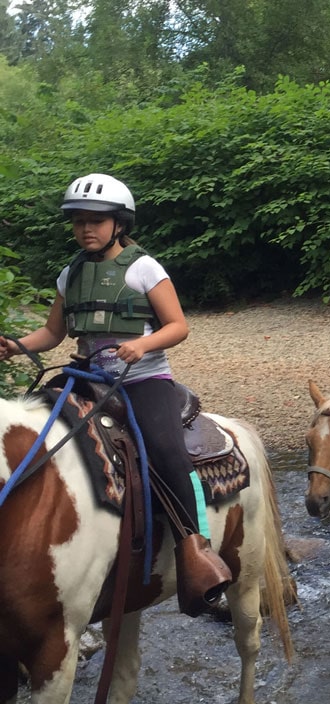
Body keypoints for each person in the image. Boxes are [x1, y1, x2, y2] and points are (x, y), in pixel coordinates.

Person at [0, 172, 232, 617]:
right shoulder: (72, 273)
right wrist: (16, 346)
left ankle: (196, 550)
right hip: (85, 377)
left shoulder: (145, 268)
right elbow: (53, 332)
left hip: (142, 380)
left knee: (166, 451)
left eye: (97, 220)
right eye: (79, 221)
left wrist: (143, 344)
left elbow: (178, 326)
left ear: (118, 223)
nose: (87, 229)